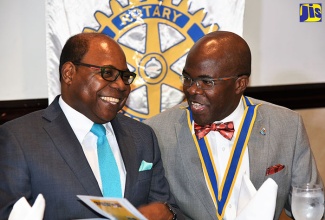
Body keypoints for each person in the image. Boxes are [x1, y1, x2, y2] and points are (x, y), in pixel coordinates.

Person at [0, 33, 183, 220]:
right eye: (108, 73)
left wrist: (167, 213)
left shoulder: (143, 137)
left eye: (125, 76)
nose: (121, 85)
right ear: (69, 73)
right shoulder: (18, 139)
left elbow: (167, 207)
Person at [144, 31, 323, 220]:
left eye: (206, 82)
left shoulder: (287, 126)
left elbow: (310, 204)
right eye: (188, 78)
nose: (192, 89)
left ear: (240, 84)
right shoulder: (157, 131)